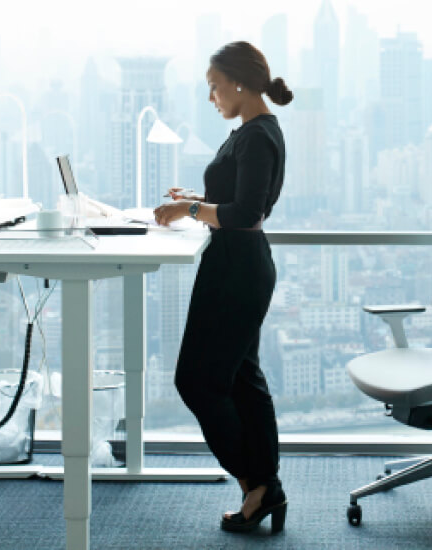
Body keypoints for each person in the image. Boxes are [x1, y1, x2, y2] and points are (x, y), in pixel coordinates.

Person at [153, 41, 293, 534]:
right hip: (235, 264)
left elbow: (246, 213)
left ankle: (257, 484)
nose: (211, 96)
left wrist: (192, 210)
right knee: (242, 380)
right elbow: (234, 200)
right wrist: (193, 199)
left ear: (237, 81)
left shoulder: (257, 136)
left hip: (237, 270)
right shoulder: (252, 132)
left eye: (214, 86)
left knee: (197, 382)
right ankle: (264, 486)